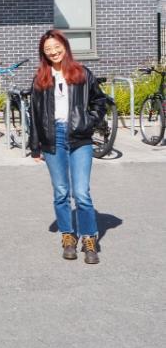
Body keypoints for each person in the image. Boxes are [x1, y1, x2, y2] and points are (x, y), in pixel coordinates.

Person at [29, 29, 108, 264]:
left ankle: (89, 239)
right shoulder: (41, 78)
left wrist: (88, 121)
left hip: (80, 138)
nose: (53, 52)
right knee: (61, 192)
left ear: (65, 46)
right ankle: (67, 236)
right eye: (48, 50)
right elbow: (34, 114)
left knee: (81, 193)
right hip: (53, 138)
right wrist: (35, 147)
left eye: (56, 47)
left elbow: (100, 102)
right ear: (43, 53)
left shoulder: (82, 73)